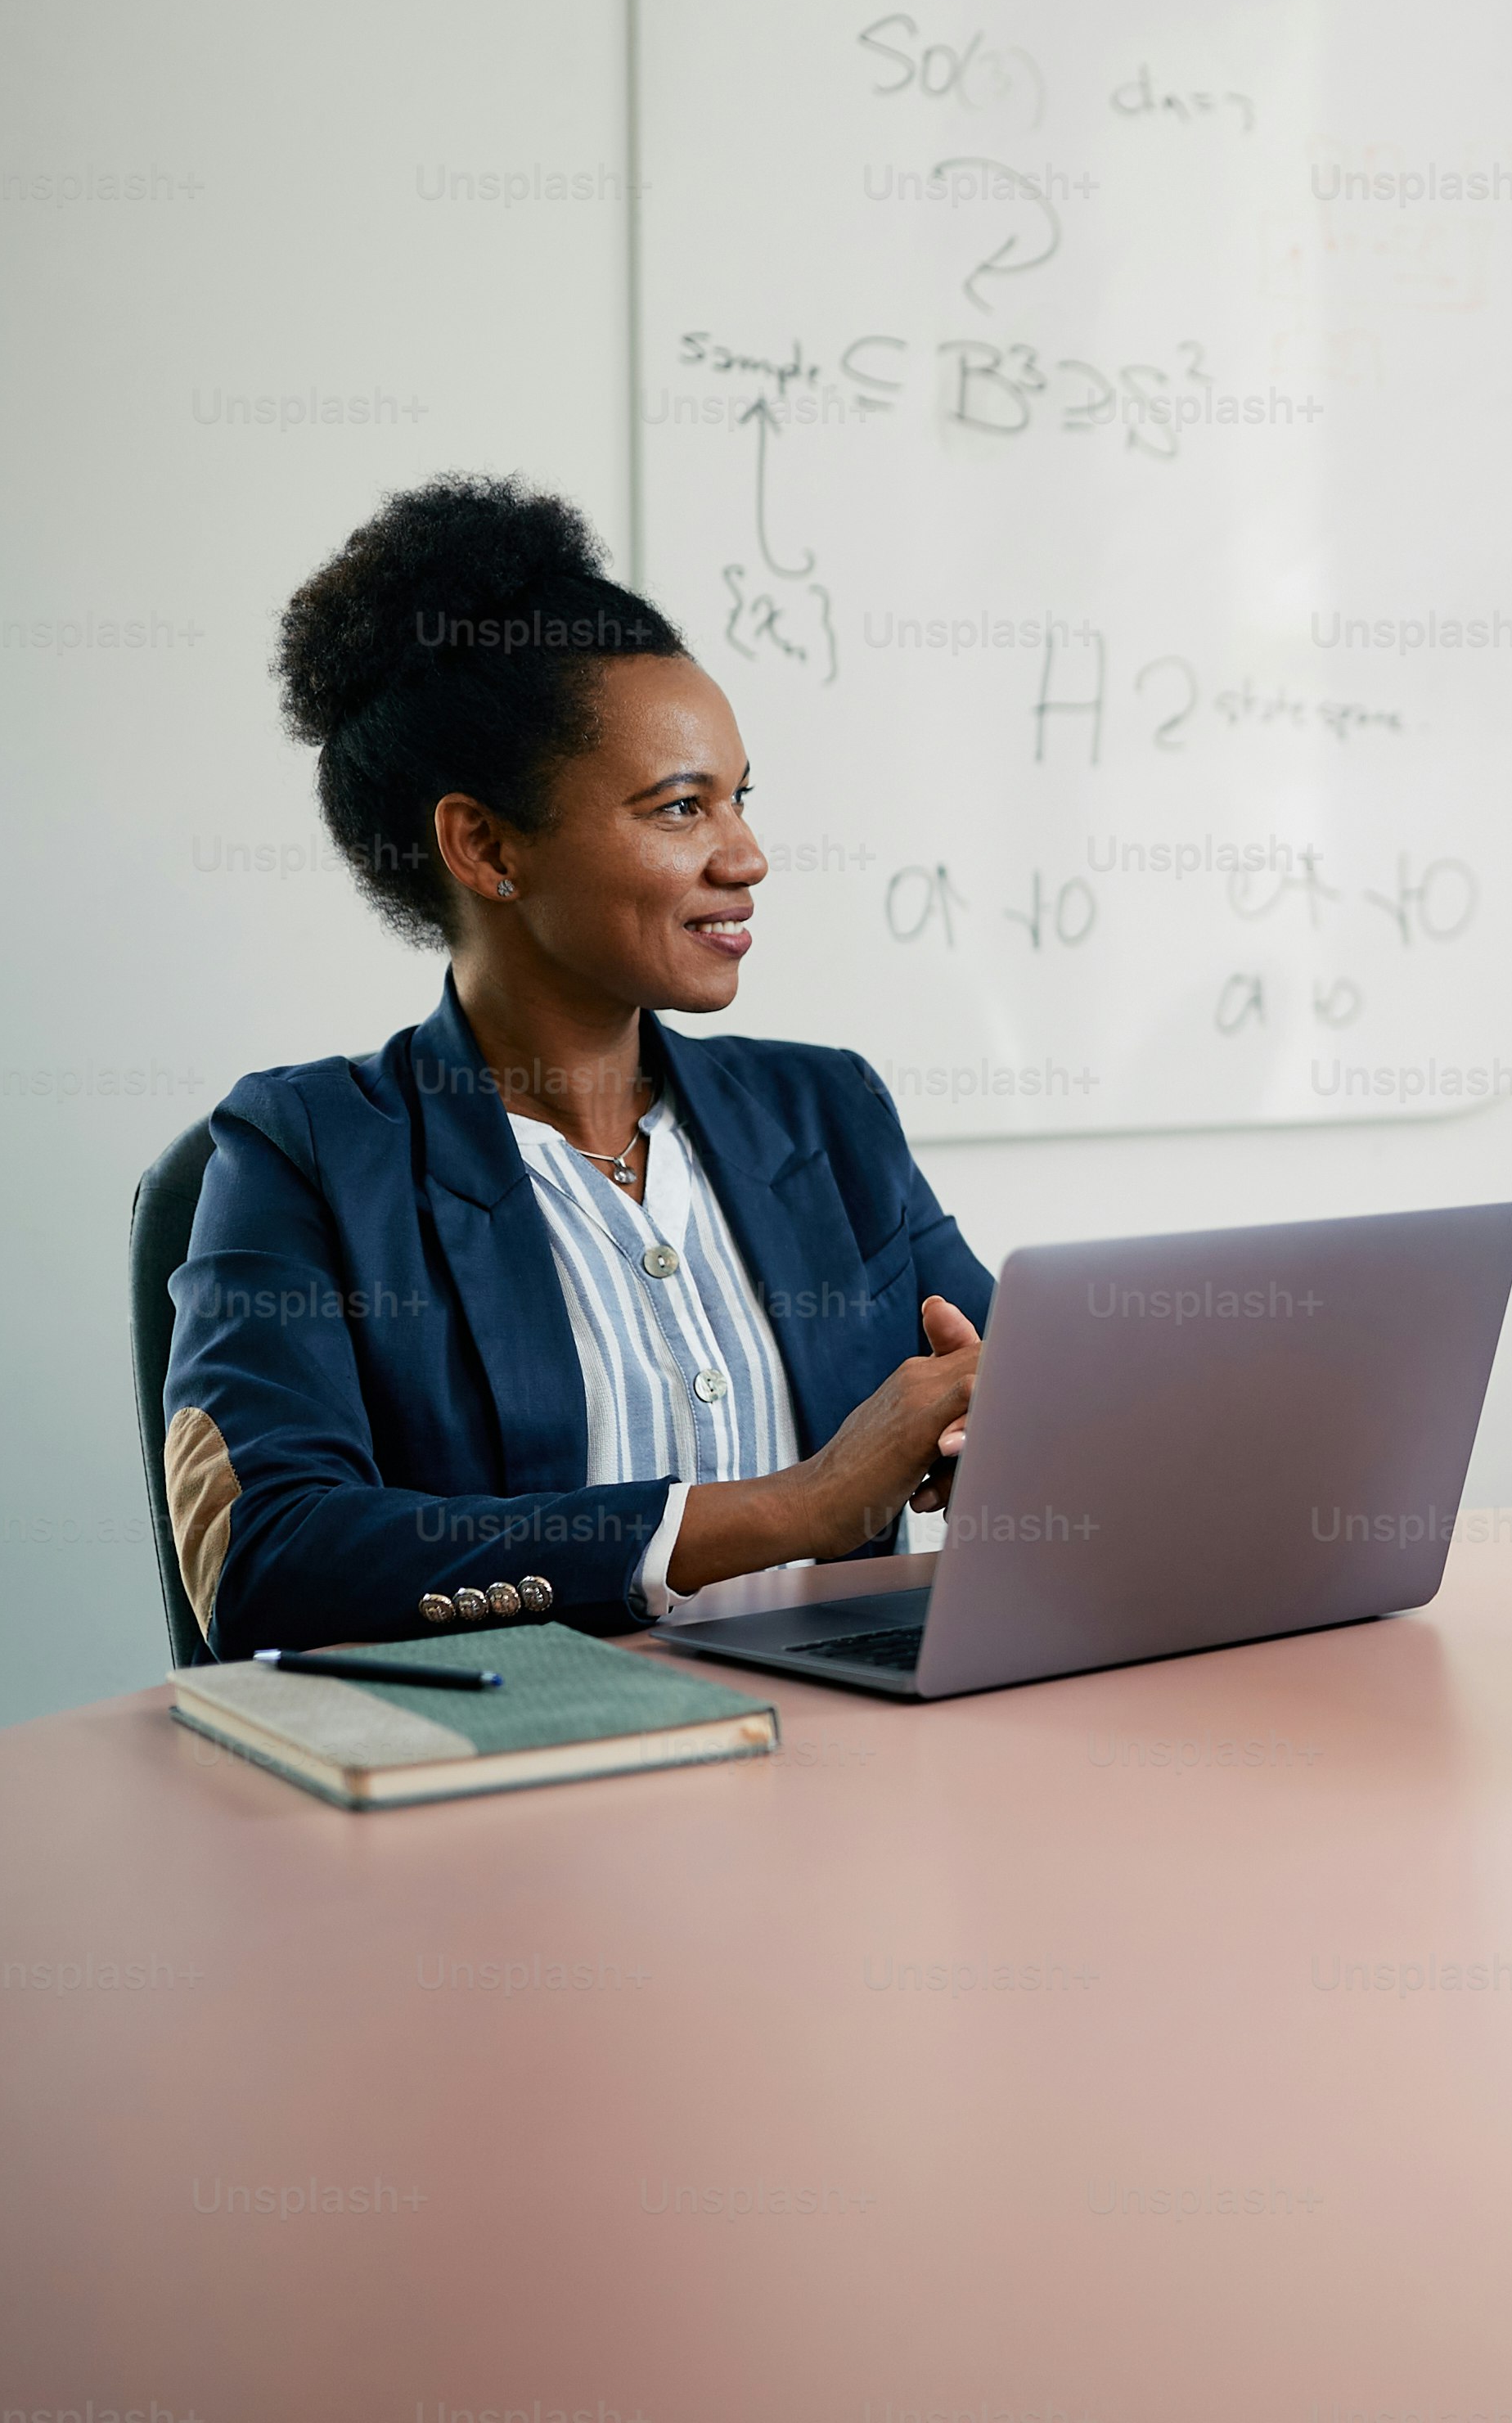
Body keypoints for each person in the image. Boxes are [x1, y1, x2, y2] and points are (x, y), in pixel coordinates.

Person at [158, 477, 988, 1657]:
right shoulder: (306, 1154)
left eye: (739, 799)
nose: (745, 855)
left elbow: (1007, 1384)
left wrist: (1010, 1426)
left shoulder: (826, 1112)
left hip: (851, 1770)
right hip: (524, 1792)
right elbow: (272, 1559)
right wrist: (797, 1508)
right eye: (679, 808)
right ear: (485, 846)